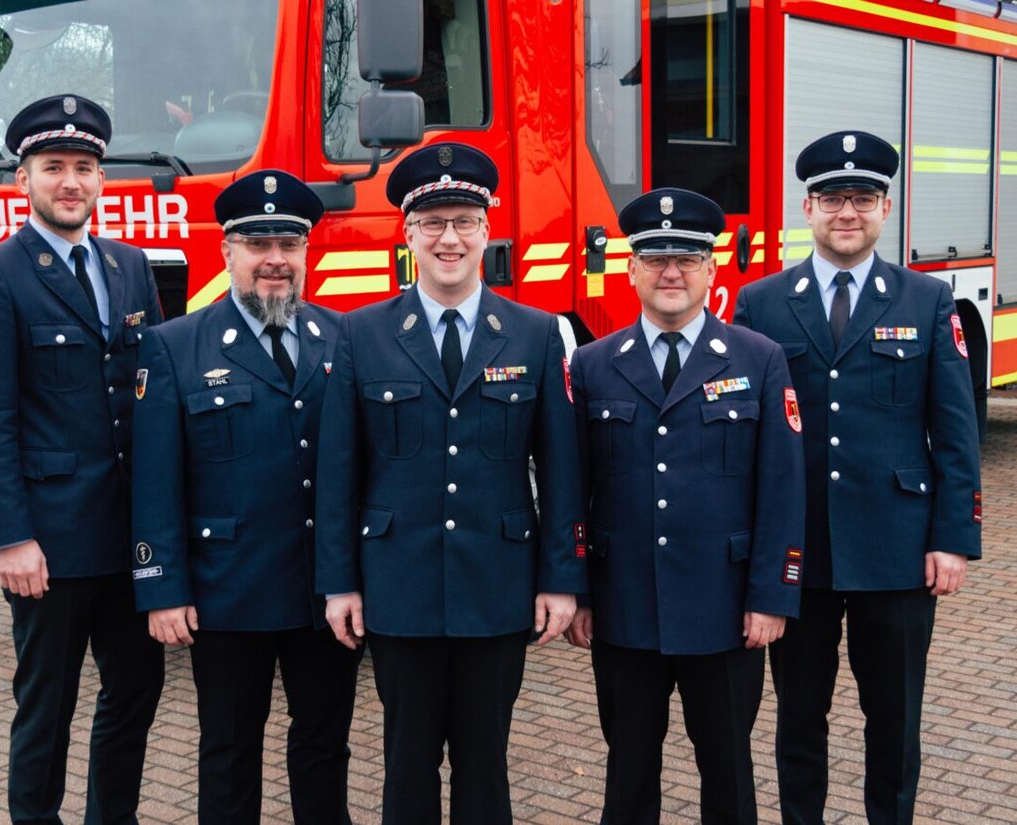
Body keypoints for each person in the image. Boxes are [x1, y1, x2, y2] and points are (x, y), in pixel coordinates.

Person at [315, 141, 586, 825]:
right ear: (407, 234)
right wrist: (340, 582)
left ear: (486, 230)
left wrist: (561, 579)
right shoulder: (361, 335)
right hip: (398, 587)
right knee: (406, 766)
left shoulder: (534, 334)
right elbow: (340, 470)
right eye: (432, 222)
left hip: (497, 587)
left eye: (464, 220)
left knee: (485, 764)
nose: (449, 237)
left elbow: (560, 471)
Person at [733, 131, 982, 825]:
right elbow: (741, 435)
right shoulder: (761, 302)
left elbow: (956, 429)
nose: (848, 211)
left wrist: (953, 538)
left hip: (898, 549)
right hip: (797, 550)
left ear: (885, 207)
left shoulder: (927, 301)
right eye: (832, 198)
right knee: (798, 721)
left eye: (862, 197)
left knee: (894, 721)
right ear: (806, 207)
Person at [0, 94, 165, 824]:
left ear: (101, 178)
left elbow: (151, 395)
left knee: (135, 693)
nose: (70, 181)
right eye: (54, 167)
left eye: (83, 167)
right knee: (47, 706)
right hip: (48, 544)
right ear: (24, 179)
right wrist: (10, 536)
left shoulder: (130, 265)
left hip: (129, 539)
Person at [565, 188, 805, 824]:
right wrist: (578, 591)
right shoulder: (592, 366)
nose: (672, 272)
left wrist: (772, 596)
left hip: (724, 609)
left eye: (689, 258)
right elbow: (572, 491)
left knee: (727, 770)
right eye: (655, 257)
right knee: (629, 770)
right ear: (631, 268)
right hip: (625, 609)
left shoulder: (760, 359)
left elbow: (782, 488)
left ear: (712, 268)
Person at [130, 170, 360, 824]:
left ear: (307, 253)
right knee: (229, 752)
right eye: (257, 243)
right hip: (227, 591)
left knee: (324, 746)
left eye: (289, 244)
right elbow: (155, 482)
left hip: (325, 592)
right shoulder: (176, 346)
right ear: (227, 251)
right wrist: (161, 586)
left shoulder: (341, 339)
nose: (275, 260)